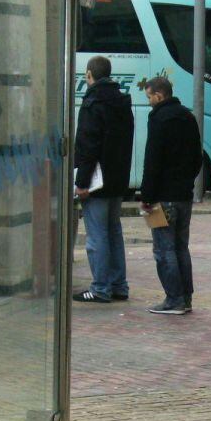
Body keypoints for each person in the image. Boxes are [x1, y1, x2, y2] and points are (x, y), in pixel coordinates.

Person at [73, 55, 134, 303]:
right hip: (118, 179)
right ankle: (119, 285)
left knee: (96, 235)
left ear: (89, 75)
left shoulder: (92, 103)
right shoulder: (122, 102)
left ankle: (100, 288)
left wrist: (82, 183)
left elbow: (88, 146)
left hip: (97, 182)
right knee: (114, 232)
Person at [140, 77, 203, 315]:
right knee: (180, 247)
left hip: (163, 195)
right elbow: (197, 157)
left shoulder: (158, 118)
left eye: (149, 97)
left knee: (163, 249)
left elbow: (152, 160)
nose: (149, 102)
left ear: (159, 95)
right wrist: (187, 181)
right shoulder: (188, 117)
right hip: (183, 194)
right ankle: (185, 297)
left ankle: (173, 299)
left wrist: (147, 195)